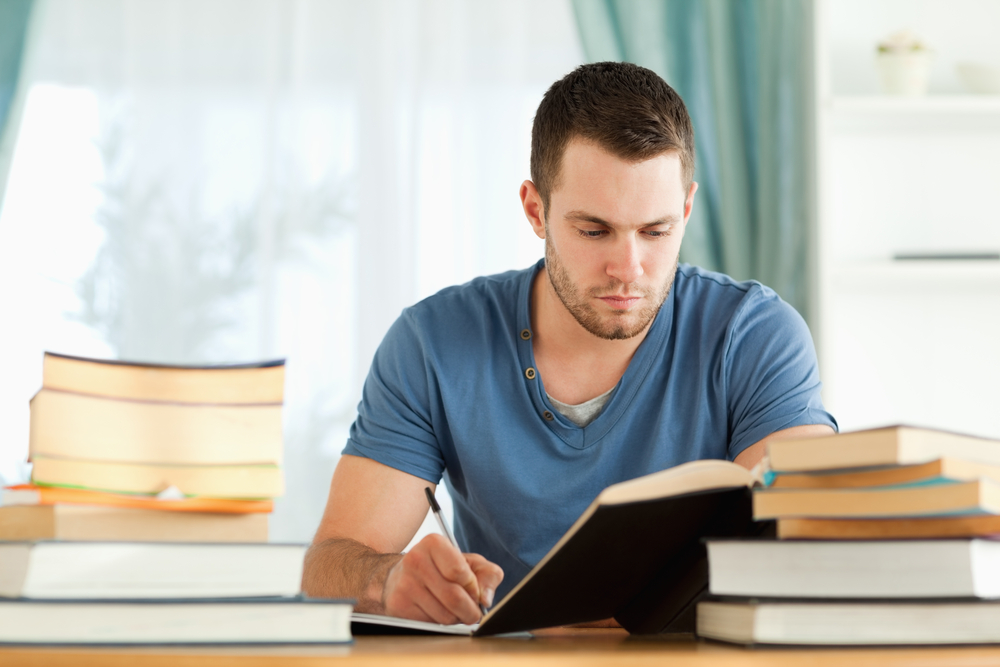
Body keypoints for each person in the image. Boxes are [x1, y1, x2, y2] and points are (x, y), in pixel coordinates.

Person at [301, 61, 836, 626]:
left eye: (655, 232)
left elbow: (801, 551)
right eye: (593, 231)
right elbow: (327, 567)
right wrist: (388, 580)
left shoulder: (755, 336)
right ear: (536, 210)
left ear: (686, 209)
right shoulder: (433, 344)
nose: (628, 269)